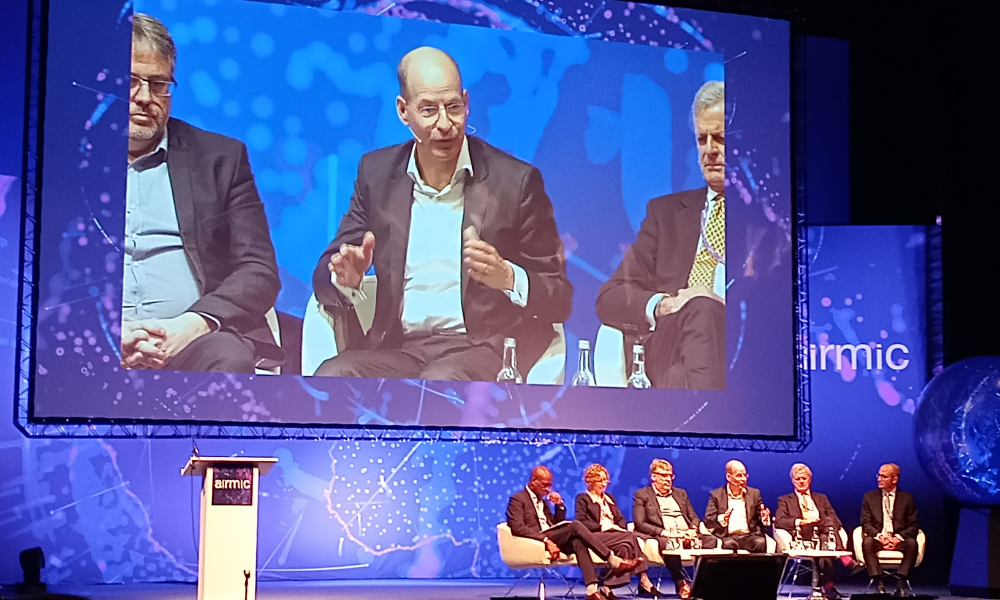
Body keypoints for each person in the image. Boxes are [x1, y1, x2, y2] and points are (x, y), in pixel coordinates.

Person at [311, 46, 571, 382]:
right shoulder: (377, 175)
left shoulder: (515, 182)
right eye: (429, 110)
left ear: (467, 102)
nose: (445, 124)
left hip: (481, 347)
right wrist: (345, 278)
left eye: (454, 107)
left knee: (440, 383)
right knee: (333, 375)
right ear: (403, 111)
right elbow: (326, 273)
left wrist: (508, 277)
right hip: (399, 350)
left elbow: (559, 297)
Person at [119, 14, 281, 373]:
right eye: (130, 81)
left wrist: (194, 323)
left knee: (228, 354)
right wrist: (112, 331)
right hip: (92, 336)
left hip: (190, 342)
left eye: (158, 84)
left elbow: (258, 269)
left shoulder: (219, 159)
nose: (144, 97)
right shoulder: (64, 159)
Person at [595, 80, 726, 390]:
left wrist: (719, 301)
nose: (710, 150)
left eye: (721, 138)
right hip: (669, 339)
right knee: (700, 311)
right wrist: (665, 304)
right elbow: (611, 297)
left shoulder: (766, 222)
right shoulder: (666, 215)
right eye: (702, 139)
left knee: (683, 373)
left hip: (735, 346)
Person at [506, 466, 642, 600]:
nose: (548, 489)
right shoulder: (518, 499)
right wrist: (545, 540)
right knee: (576, 525)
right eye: (545, 485)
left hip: (552, 535)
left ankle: (591, 591)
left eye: (550, 485)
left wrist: (559, 505)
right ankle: (613, 560)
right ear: (534, 481)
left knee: (578, 541)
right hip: (538, 538)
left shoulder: (543, 501)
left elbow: (555, 522)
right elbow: (518, 527)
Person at [632, 459, 717, 599]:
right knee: (669, 544)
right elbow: (640, 523)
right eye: (663, 475)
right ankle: (680, 583)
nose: (668, 479)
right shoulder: (642, 495)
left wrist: (692, 529)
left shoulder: (681, 493)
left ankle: (704, 585)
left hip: (686, 534)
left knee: (712, 541)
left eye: (670, 475)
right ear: (653, 477)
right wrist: (667, 533)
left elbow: (693, 517)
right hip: (663, 535)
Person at [575, 464, 659, 599]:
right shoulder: (583, 498)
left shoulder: (609, 498)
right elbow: (581, 523)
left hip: (615, 535)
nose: (604, 484)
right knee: (631, 537)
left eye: (605, 480)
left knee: (625, 547)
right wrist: (602, 526)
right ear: (590, 481)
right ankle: (643, 578)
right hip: (594, 536)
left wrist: (617, 527)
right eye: (600, 480)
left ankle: (607, 588)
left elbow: (620, 519)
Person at [775, 463, 849, 600]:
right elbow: (779, 521)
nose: (801, 481)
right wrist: (801, 521)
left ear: (809, 479)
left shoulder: (822, 498)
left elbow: (837, 521)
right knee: (827, 524)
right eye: (797, 479)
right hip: (802, 535)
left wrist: (821, 522)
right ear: (792, 481)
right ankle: (841, 554)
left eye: (804, 478)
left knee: (825, 537)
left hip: (823, 534)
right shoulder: (784, 500)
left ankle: (824, 588)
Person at [860, 463, 920, 596]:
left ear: (894, 479)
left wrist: (897, 538)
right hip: (878, 539)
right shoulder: (869, 497)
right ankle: (878, 583)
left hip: (898, 539)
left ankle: (901, 584)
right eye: (879, 475)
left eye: (884, 476)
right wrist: (880, 537)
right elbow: (866, 523)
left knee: (912, 544)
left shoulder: (907, 498)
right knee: (867, 542)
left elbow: (913, 525)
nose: (879, 479)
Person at [704, 460, 771, 552]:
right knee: (728, 544)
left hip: (749, 536)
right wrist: (722, 518)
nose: (743, 479)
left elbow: (760, 518)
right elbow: (708, 520)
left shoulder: (754, 494)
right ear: (729, 477)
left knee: (760, 542)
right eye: (739, 475)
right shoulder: (716, 495)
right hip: (728, 536)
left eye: (745, 475)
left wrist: (764, 518)